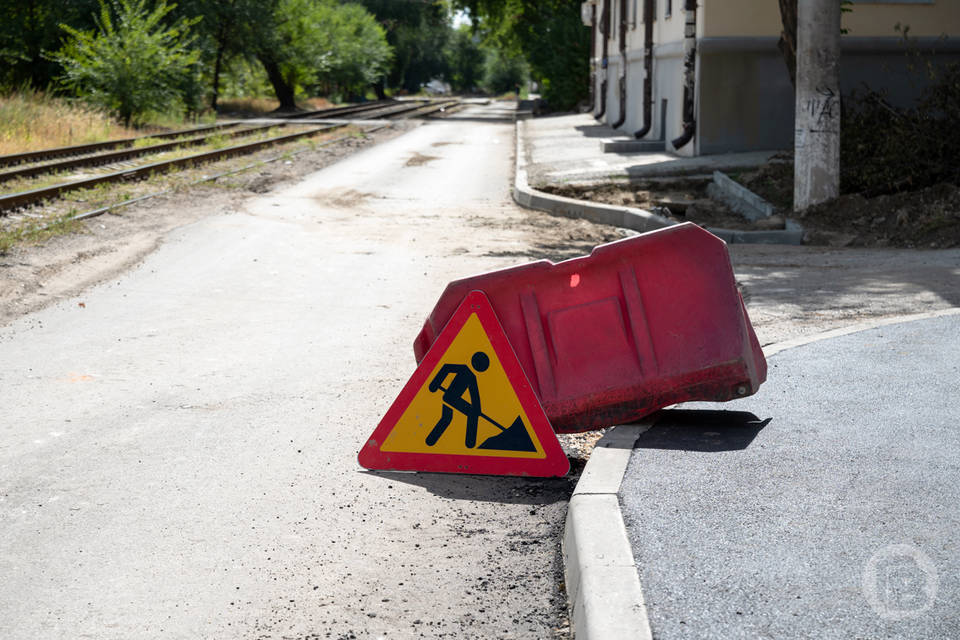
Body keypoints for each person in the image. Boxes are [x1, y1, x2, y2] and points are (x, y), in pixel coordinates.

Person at [425, 351, 490, 448]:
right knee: (472, 414)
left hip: (448, 397)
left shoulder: (468, 373)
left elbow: (474, 396)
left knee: (446, 419)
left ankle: (429, 441)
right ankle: (470, 443)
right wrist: (434, 384)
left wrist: (434, 384)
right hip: (452, 399)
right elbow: (446, 368)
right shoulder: (469, 374)